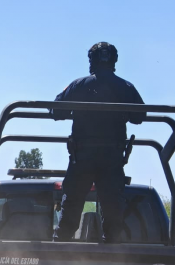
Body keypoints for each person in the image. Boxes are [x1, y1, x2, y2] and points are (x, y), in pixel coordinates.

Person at [52, 42, 145, 243]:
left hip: (82, 157)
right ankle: (112, 253)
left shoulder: (78, 85)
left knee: (71, 210)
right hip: (112, 159)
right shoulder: (126, 87)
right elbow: (140, 116)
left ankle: (59, 250)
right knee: (113, 214)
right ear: (114, 61)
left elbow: (55, 110)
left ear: (91, 61)